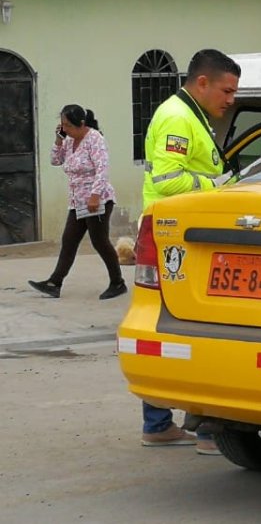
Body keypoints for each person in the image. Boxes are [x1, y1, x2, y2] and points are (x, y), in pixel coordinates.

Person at [138, 48, 241, 456]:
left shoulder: (189, 114)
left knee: (176, 329)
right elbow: (167, 180)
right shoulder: (178, 118)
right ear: (202, 82)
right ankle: (203, 429)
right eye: (226, 90)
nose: (231, 99)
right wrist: (221, 187)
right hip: (177, 238)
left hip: (182, 236)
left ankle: (162, 424)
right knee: (192, 331)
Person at [28, 105, 126, 300]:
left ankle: (118, 282)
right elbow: (55, 161)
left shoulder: (95, 139)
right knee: (69, 240)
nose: (65, 129)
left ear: (81, 124)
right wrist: (58, 140)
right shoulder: (68, 140)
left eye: (68, 125)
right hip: (77, 201)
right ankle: (54, 283)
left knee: (99, 241)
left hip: (96, 200)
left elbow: (102, 169)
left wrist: (95, 195)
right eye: (62, 125)